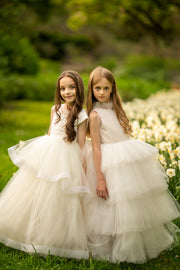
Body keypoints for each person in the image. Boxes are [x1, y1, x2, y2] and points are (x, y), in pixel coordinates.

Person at [84, 66, 180, 264]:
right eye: (97, 89)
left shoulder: (117, 109)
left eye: (106, 88)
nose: (101, 93)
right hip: (107, 163)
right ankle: (112, 247)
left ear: (113, 89)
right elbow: (95, 148)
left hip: (126, 160)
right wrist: (100, 178)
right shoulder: (94, 115)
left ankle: (136, 243)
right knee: (110, 205)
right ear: (91, 90)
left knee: (131, 205)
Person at [0, 70, 90, 259]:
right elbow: (50, 133)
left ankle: (57, 238)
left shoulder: (82, 114)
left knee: (60, 197)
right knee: (37, 192)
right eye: (63, 88)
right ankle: (31, 231)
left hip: (68, 157)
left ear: (79, 89)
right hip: (49, 153)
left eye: (71, 87)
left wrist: (82, 170)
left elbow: (81, 145)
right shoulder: (55, 109)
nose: (67, 92)